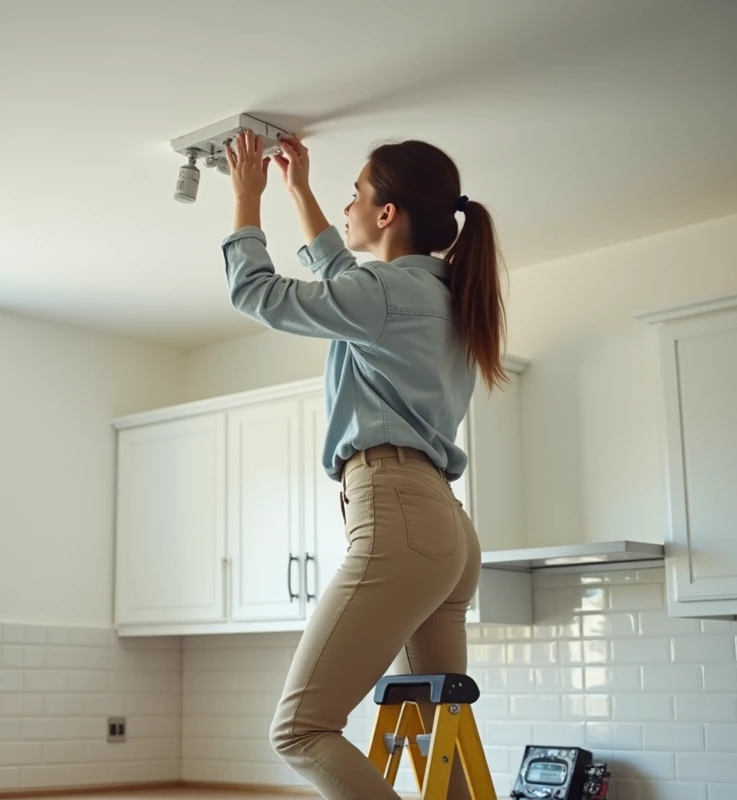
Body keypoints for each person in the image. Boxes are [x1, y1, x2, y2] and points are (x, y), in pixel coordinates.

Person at [221, 129, 507, 800]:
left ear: (387, 215)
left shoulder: (383, 296)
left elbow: (255, 292)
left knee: (300, 731)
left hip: (399, 515)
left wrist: (246, 198)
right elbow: (345, 275)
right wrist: (300, 190)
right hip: (447, 533)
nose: (346, 208)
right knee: (442, 737)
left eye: (355, 196)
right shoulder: (440, 297)